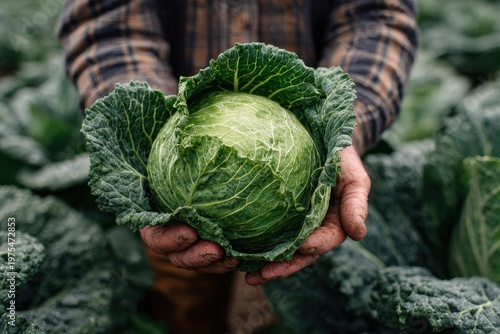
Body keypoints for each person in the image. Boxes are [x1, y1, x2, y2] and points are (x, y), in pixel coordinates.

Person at [57, 1, 418, 333]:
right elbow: (106, 23)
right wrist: (151, 122)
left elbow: (377, 15)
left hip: (313, 186)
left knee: (292, 313)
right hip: (166, 191)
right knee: (181, 309)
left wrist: (342, 132)